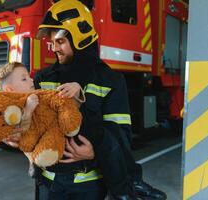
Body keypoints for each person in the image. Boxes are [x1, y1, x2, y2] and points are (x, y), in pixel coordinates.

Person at [34, 1, 167, 200]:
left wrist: (94, 153)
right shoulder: (43, 78)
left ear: (81, 36)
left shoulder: (111, 80)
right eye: (52, 43)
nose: (54, 49)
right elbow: (35, 126)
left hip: (87, 187)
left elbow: (120, 136)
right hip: (47, 184)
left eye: (60, 42)